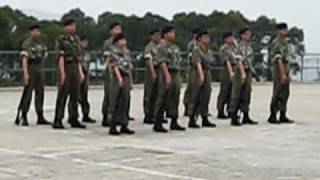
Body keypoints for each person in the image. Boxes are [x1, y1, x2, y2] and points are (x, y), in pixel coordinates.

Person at [52, 18, 86, 129]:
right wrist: (62, 73)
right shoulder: (61, 39)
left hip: (75, 66)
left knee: (75, 94)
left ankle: (74, 118)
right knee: (63, 94)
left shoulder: (76, 39)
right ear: (65, 27)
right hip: (66, 66)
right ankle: (58, 119)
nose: (73, 27)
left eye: (74, 25)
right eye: (70, 25)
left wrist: (80, 72)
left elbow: (78, 57)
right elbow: (60, 56)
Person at [14, 24, 51, 126]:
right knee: (28, 93)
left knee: (40, 93)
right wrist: (25, 73)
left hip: (39, 68)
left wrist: (42, 69)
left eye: (38, 31)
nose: (37, 32)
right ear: (31, 32)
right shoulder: (27, 43)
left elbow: (45, 57)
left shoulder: (41, 43)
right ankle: (24, 115)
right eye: (35, 31)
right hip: (31, 67)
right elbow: (24, 58)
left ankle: (40, 115)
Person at [153, 25, 185, 133]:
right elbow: (162, 62)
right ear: (165, 34)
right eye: (171, 32)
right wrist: (167, 76)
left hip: (175, 72)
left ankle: (174, 121)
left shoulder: (175, 47)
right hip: (167, 71)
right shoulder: (162, 47)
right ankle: (158, 122)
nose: (173, 34)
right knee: (163, 96)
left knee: (175, 96)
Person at [229, 28, 258, 126]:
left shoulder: (249, 46)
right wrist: (242, 73)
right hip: (240, 71)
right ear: (242, 35)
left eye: (249, 34)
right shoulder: (239, 46)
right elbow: (238, 60)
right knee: (236, 94)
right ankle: (233, 116)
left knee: (247, 93)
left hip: (248, 70)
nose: (249, 36)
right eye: (246, 34)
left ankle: (245, 115)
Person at [187, 29, 216, 128]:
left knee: (206, 95)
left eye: (208, 37)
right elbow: (198, 62)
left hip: (207, 72)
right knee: (195, 95)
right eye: (205, 37)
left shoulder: (208, 50)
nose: (208, 39)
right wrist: (201, 75)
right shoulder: (196, 49)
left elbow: (211, 60)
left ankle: (204, 117)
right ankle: (192, 118)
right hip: (198, 73)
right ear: (199, 39)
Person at [108, 33, 135, 135]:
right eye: (121, 40)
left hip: (126, 76)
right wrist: (119, 78)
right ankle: (113, 125)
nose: (124, 42)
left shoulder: (127, 52)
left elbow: (129, 67)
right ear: (117, 42)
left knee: (126, 101)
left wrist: (131, 81)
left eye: (124, 40)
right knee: (115, 102)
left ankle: (124, 124)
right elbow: (114, 66)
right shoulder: (112, 53)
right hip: (117, 77)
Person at [267, 23, 295, 124]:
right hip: (279, 69)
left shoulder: (285, 43)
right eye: (283, 30)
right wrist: (283, 73)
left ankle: (282, 114)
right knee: (277, 92)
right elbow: (278, 59)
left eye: (286, 29)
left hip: (285, 68)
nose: (285, 31)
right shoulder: (277, 43)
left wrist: (287, 72)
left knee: (285, 93)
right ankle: (273, 114)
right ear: (278, 31)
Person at [68, 35, 96, 123]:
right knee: (75, 95)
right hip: (78, 73)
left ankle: (86, 114)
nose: (85, 44)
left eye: (86, 42)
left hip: (85, 72)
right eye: (83, 42)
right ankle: (72, 115)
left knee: (84, 95)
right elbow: (78, 63)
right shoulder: (77, 51)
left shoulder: (86, 52)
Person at [143, 28, 162, 124]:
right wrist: (153, 72)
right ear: (151, 37)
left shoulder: (161, 46)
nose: (158, 37)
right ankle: (148, 115)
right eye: (156, 35)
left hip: (160, 70)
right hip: (152, 70)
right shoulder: (149, 47)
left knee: (158, 93)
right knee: (149, 93)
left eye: (159, 35)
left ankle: (157, 114)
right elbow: (148, 60)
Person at [216, 31, 237, 119]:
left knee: (232, 91)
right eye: (229, 37)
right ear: (225, 39)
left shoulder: (233, 47)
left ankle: (229, 109)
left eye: (232, 37)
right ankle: (220, 110)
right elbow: (226, 61)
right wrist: (231, 72)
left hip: (234, 67)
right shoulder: (224, 48)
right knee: (224, 90)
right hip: (226, 69)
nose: (231, 39)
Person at [183, 27, 201, 116]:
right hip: (192, 67)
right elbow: (190, 55)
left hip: (200, 67)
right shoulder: (192, 44)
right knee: (190, 87)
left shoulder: (200, 44)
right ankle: (187, 106)